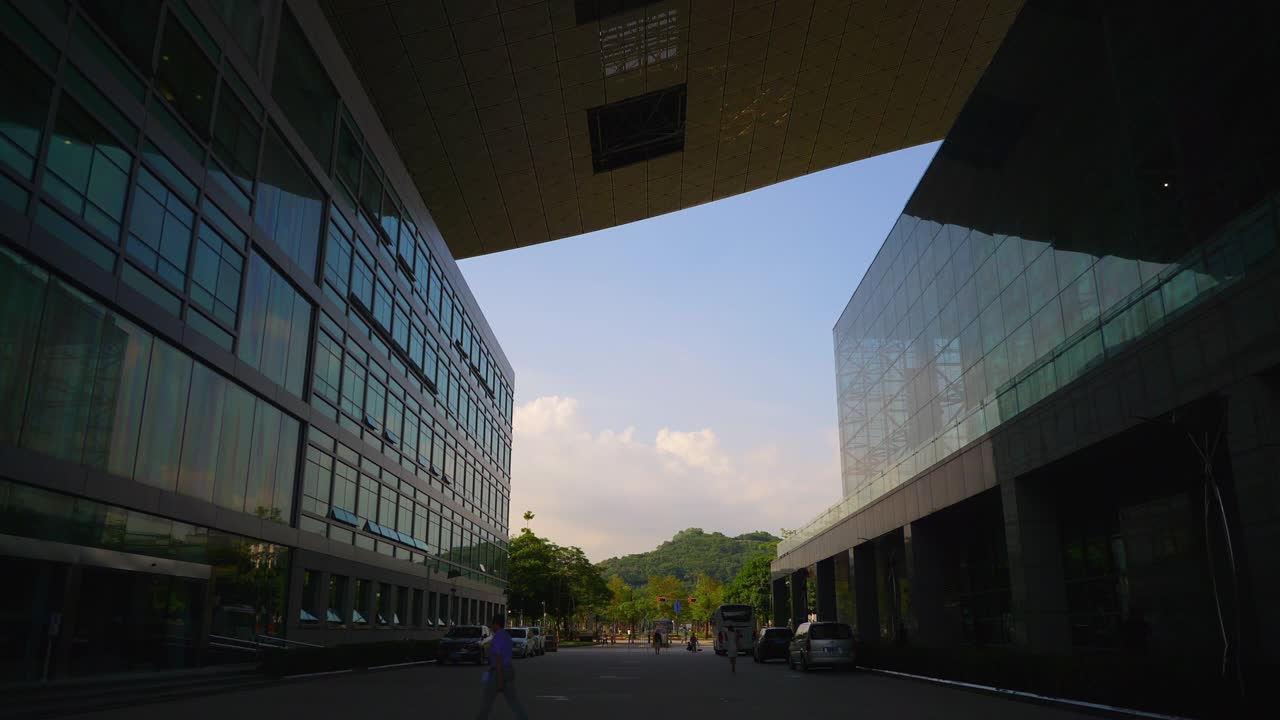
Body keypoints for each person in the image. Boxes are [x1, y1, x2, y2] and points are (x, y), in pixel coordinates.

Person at [476, 613, 528, 720]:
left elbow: (498, 659)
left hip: (498, 673)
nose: (491, 626)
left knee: (487, 702)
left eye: (492, 624)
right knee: (513, 701)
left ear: (496, 624)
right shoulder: (507, 636)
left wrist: (499, 680)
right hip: (508, 670)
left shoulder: (498, 637)